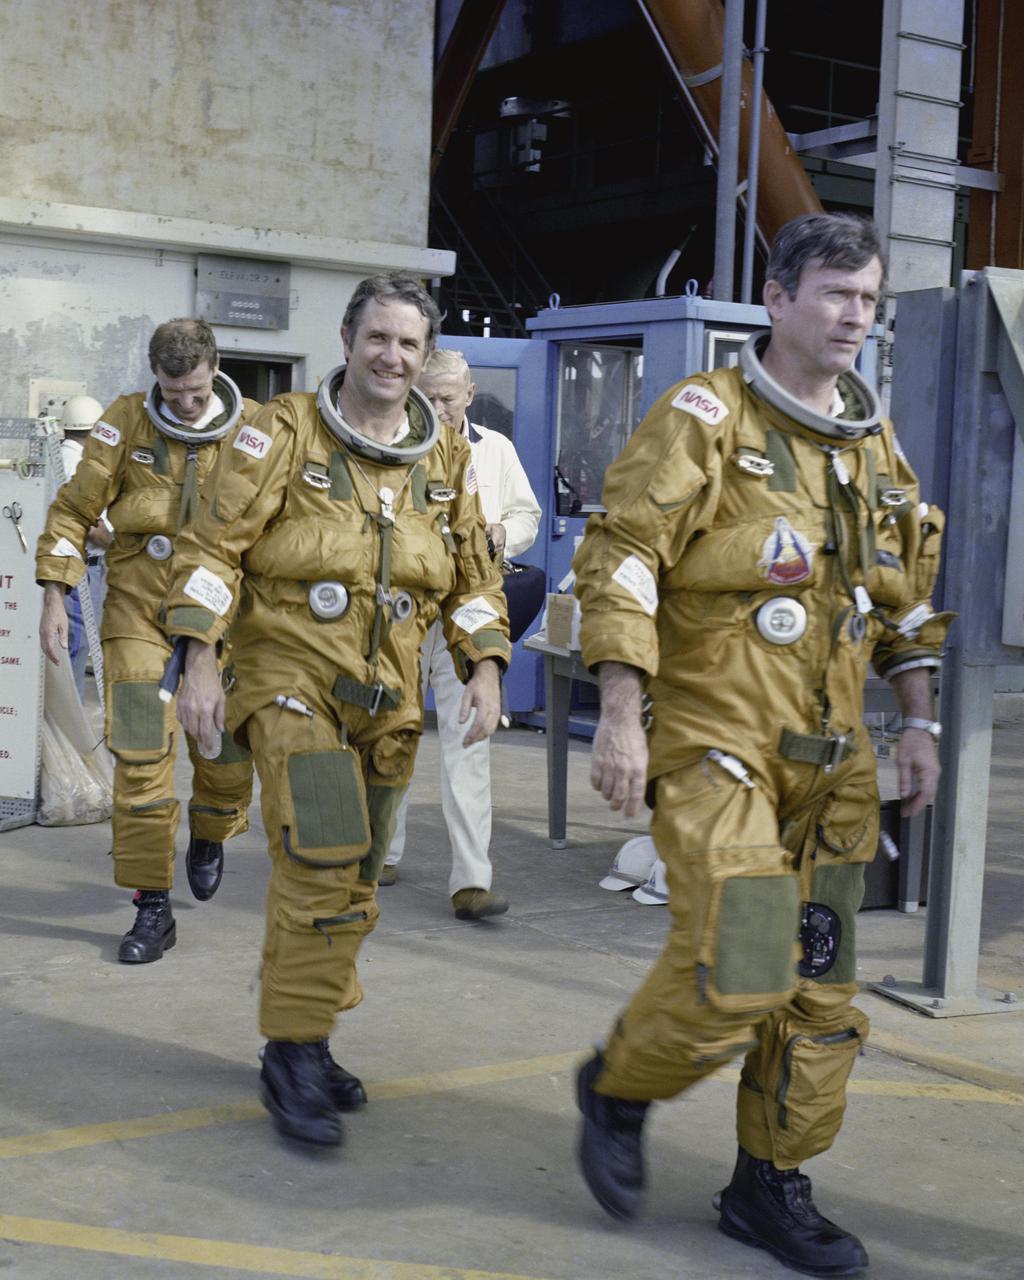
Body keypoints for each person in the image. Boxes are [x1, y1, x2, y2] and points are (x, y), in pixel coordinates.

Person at [571, 213, 950, 1276]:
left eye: (868, 298)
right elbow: (625, 559)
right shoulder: (702, 418)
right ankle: (619, 1084)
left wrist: (916, 720)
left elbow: (903, 600)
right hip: (717, 737)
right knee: (742, 959)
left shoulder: (874, 445)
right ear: (777, 298)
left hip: (832, 764)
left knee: (818, 992)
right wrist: (618, 708)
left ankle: (766, 1183)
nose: (854, 315)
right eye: (835, 293)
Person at [163, 273, 511, 1148]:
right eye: (378, 339)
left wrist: (487, 666)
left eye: (409, 344)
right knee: (321, 854)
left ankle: (307, 1033)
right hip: (289, 676)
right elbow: (213, 550)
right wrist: (200, 660)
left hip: (387, 699)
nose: (392, 357)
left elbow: (474, 578)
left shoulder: (448, 458)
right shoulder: (276, 433)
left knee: (352, 880)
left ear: (424, 357)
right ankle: (295, 1049)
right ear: (348, 340)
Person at [36, 320, 259, 962]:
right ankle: (152, 903)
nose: (185, 403)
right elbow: (74, 510)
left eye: (195, 390)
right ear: (154, 375)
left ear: (215, 366)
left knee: (223, 751)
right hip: (138, 607)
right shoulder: (125, 422)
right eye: (172, 389)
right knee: (139, 752)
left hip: (226, 619)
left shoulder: (257, 431)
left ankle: (211, 832)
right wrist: (55, 590)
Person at [380, 348, 541, 919]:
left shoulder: (495, 450)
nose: (440, 407)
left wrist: (502, 532)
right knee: (388, 732)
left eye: (449, 397)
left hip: (468, 614)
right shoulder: (397, 445)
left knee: (469, 740)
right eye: (430, 397)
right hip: (404, 613)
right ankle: (383, 852)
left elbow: (528, 515)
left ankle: (472, 880)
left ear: (469, 395)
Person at [56, 395, 112, 697]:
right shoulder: (78, 464)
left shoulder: (59, 459)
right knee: (74, 647)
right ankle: (69, 731)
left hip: (68, 570)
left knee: (68, 646)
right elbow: (90, 527)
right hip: (79, 571)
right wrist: (122, 547)